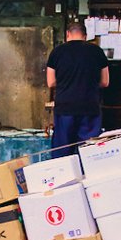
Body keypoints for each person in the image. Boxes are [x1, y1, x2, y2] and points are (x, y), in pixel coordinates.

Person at [46, 22, 109, 157]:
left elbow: (51, 82)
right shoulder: (97, 51)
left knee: (63, 152)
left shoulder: (57, 52)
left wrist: (66, 83)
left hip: (65, 108)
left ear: (67, 34)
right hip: (90, 107)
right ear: (85, 36)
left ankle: (64, 176)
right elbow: (105, 82)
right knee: (90, 152)